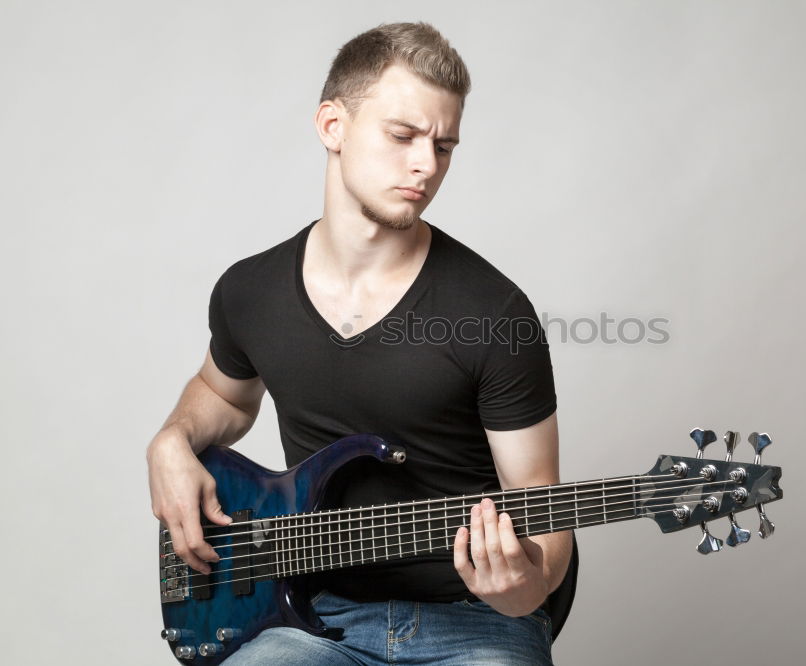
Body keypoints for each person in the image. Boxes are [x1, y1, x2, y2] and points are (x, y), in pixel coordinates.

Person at [146, 21, 576, 664]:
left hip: (479, 623)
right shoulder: (250, 291)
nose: (426, 165)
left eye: (445, 146)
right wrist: (172, 439)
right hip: (313, 617)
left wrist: (529, 586)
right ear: (332, 126)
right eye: (403, 136)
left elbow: (542, 503)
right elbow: (222, 395)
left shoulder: (496, 313)